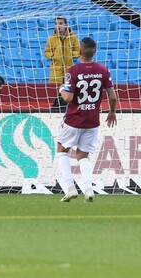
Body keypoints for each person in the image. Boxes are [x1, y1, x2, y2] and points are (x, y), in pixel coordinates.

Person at [56, 37, 117, 203]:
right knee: (83, 155)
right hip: (92, 120)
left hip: (74, 119)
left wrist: (61, 88)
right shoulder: (103, 70)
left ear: (79, 51)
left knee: (62, 149)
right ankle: (89, 189)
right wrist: (112, 112)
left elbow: (68, 98)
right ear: (95, 51)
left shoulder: (73, 71)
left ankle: (70, 188)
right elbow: (112, 95)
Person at [45, 16, 80, 112]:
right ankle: (56, 107)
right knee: (57, 88)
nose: (58, 26)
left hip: (69, 68)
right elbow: (46, 52)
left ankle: (66, 106)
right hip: (56, 68)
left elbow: (78, 50)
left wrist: (73, 54)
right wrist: (52, 55)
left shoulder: (73, 37)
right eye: (56, 24)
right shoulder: (51, 38)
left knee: (69, 87)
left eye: (60, 23)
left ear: (66, 25)